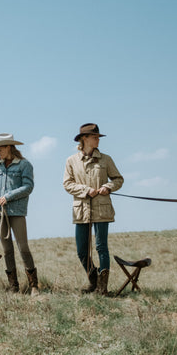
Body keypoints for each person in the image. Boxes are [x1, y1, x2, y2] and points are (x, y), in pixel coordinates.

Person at [63, 123, 124, 296]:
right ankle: (94, 281)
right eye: (95, 137)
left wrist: (108, 186)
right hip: (81, 209)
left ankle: (102, 289)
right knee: (81, 250)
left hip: (102, 209)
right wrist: (85, 190)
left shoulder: (106, 159)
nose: (98, 139)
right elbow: (67, 184)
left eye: (98, 137)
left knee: (101, 247)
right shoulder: (71, 161)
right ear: (84, 139)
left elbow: (118, 179)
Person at [0, 133, 39, 296]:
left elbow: (28, 186)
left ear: (9, 147)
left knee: (23, 247)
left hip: (17, 212)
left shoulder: (24, 165)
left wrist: (8, 197)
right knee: (7, 250)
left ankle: (34, 286)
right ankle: (13, 287)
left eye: (0, 148)